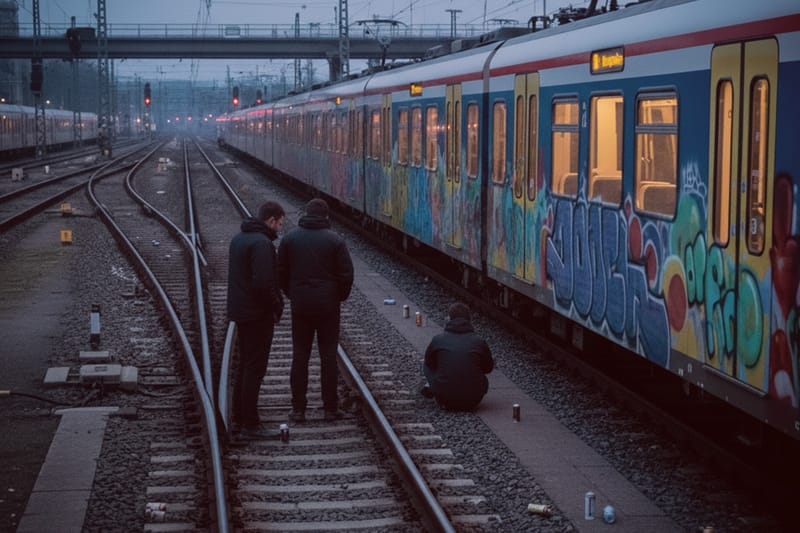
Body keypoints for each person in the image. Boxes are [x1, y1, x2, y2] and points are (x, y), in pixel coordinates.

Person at [278, 198, 354, 422]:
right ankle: (330, 408)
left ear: (305, 213)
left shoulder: (290, 239)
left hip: (301, 305)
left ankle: (298, 409)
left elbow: (280, 271)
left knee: (300, 355)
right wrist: (339, 296)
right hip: (328, 306)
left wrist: (292, 293)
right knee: (328, 356)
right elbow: (346, 274)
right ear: (326, 216)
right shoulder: (335, 240)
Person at [227, 201, 286, 440]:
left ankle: (239, 417)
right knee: (255, 368)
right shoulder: (262, 244)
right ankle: (250, 424)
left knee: (245, 365)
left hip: (241, 312)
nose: (280, 229)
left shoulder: (239, 239)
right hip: (256, 314)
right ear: (271, 220)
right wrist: (277, 305)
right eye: (280, 224)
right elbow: (263, 284)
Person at [421, 302, 494, 411]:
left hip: (444, 398)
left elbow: (430, 363)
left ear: (449, 319)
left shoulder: (438, 340)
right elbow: (488, 368)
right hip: (473, 400)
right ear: (469, 320)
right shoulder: (479, 341)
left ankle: (433, 387)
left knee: (427, 364)